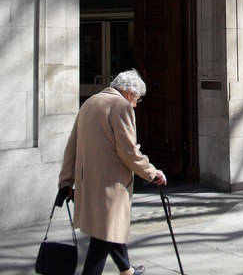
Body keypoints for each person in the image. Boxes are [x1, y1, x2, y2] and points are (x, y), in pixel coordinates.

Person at [56, 69, 167, 275]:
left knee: (109, 229)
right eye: (137, 99)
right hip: (111, 185)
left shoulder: (90, 102)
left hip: (89, 182)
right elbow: (128, 152)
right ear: (129, 93)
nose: (136, 104)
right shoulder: (121, 106)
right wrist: (152, 173)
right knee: (104, 236)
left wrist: (66, 181)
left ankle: (127, 270)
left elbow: (72, 146)